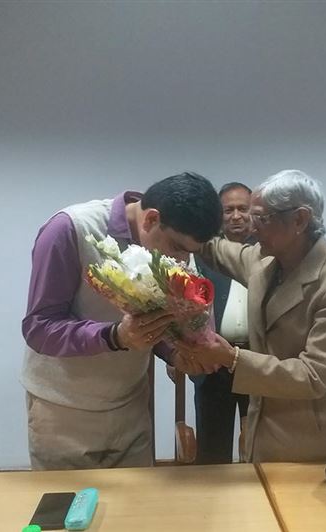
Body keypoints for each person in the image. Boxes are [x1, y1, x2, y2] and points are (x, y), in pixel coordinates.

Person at [21, 172, 223, 470]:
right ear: (151, 219)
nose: (182, 261)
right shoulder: (71, 229)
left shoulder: (176, 245)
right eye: (178, 249)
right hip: (64, 412)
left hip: (131, 408)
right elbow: (38, 328)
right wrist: (114, 336)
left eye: (189, 254)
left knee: (138, 512)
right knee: (67, 513)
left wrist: (179, 353)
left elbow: (158, 326)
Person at [175, 170, 326, 462]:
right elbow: (214, 249)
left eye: (262, 219)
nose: (252, 228)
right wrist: (174, 220)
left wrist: (231, 358)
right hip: (270, 430)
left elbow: (313, 375)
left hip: (322, 441)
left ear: (299, 220)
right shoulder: (265, 260)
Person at [191, 182, 252, 464]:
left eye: (243, 208)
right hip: (214, 363)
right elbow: (188, 307)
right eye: (229, 210)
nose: (236, 216)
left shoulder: (273, 253)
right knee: (212, 451)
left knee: (260, 447)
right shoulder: (204, 255)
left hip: (258, 360)